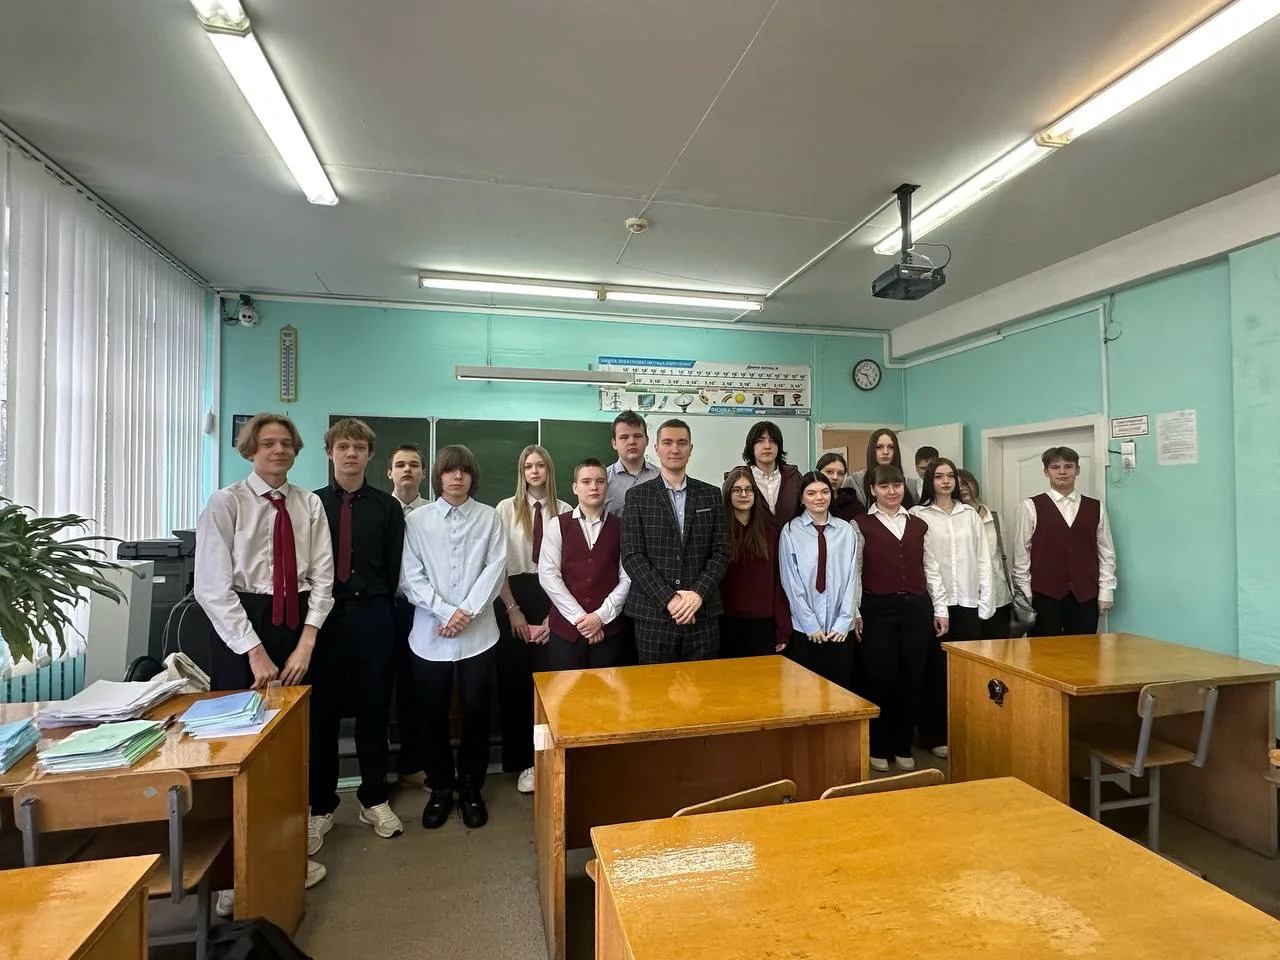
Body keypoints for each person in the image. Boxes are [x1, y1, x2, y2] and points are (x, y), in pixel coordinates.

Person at [194, 412, 331, 909]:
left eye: (286, 443)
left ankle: (284, 852)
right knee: (240, 746)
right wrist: (253, 650)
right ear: (250, 449)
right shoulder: (226, 502)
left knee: (294, 743)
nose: (279, 450)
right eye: (268, 443)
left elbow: (323, 578)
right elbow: (211, 586)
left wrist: (306, 642)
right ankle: (232, 871)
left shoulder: (308, 504)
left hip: (297, 622)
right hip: (242, 625)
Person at [311, 419, 406, 847]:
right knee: (322, 715)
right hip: (323, 618)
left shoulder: (388, 508)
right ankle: (321, 806)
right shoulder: (310, 505)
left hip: (373, 616)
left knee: (373, 711)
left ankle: (373, 798)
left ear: (370, 455)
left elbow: (393, 566)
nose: (351, 453)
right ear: (330, 452)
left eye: (359, 447)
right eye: (343, 446)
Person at [401, 445, 507, 830]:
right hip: (430, 635)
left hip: (479, 636)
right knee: (432, 716)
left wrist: (466, 613)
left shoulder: (490, 517)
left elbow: (495, 568)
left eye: (464, 471)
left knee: (477, 714)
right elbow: (410, 575)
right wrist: (446, 612)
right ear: (439, 477)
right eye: (450, 471)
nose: (457, 477)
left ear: (472, 476)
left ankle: (471, 786)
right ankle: (441, 787)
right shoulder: (418, 520)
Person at [854, 464, 947, 772]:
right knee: (882, 678)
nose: (891, 491)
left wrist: (940, 608)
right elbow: (855, 571)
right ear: (873, 490)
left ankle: (902, 744)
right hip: (877, 609)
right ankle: (879, 745)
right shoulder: (861, 524)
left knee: (912, 677)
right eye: (884, 486)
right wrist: (855, 611)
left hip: (916, 608)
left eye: (896, 485)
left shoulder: (918, 524)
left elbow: (930, 567)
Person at [621, 419, 731, 663]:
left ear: (691, 449)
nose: (675, 449)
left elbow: (722, 552)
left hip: (702, 613)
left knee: (703, 684)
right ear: (656, 448)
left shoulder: (711, 495)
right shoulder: (637, 497)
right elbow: (632, 555)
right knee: (655, 685)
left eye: (682, 443)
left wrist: (697, 594)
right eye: (667, 442)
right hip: (654, 616)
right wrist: (669, 599)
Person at [494, 445, 571, 795]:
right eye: (528, 466)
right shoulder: (505, 509)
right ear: (521, 472)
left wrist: (553, 617)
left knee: (550, 689)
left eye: (541, 465)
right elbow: (496, 565)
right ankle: (523, 761)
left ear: (549, 470)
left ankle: (546, 758)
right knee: (516, 686)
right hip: (513, 598)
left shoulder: (565, 510)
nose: (535, 471)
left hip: (554, 601)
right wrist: (513, 610)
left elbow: (569, 571)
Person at [909, 457, 990, 759]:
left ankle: (966, 730)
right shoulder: (918, 514)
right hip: (933, 606)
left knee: (967, 674)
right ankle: (933, 734)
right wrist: (938, 605)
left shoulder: (969, 514)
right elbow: (923, 563)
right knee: (935, 673)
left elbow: (983, 558)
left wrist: (985, 603)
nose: (946, 481)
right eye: (939, 476)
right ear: (929, 481)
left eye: (950, 476)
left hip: (967, 602)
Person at [537, 458, 632, 670]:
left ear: (607, 485)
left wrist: (600, 617)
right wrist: (582, 619)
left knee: (606, 690)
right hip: (566, 632)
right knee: (565, 690)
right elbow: (548, 576)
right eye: (586, 481)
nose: (593, 487)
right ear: (575, 488)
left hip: (610, 632)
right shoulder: (557, 525)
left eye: (600, 481)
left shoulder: (622, 527)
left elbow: (627, 578)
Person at [1012, 446, 1116, 636]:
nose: (1062, 472)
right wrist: (1025, 593)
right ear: (1046, 472)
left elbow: (1106, 552)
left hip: (1085, 595)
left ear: (1077, 470)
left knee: (1083, 650)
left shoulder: (1096, 507)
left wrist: (1106, 591)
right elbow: (1021, 555)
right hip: (1043, 595)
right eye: (1055, 467)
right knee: (1043, 650)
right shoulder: (1030, 507)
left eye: (1068, 466)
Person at [778, 472, 857, 688]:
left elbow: (852, 578)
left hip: (840, 629)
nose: (819, 498)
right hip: (805, 628)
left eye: (824, 492)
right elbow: (790, 581)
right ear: (801, 498)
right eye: (811, 493)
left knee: (840, 691)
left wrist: (844, 621)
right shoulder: (790, 531)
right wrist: (810, 624)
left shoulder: (846, 531)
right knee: (806, 691)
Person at [387, 445, 429, 789]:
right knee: (376, 687)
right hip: (382, 611)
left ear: (423, 474)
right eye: (400, 465)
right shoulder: (378, 509)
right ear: (390, 472)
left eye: (414, 465)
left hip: (421, 611)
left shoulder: (434, 513)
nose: (407, 470)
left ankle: (413, 763)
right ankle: (376, 770)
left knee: (415, 689)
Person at [718, 467, 791, 658]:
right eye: (737, 489)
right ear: (727, 493)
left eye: (748, 489)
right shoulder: (718, 532)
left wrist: (782, 627)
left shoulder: (770, 533)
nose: (743, 494)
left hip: (763, 623)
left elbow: (778, 582)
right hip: (725, 621)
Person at [956, 469, 1015, 639]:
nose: (962, 488)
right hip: (967, 597)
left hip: (999, 596)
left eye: (965, 483)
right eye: (957, 485)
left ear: (974, 484)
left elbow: (1006, 556)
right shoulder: (955, 521)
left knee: (999, 647)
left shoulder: (995, 518)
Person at [743, 420, 803, 526]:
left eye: (773, 441)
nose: (767, 446)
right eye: (760, 441)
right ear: (751, 446)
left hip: (789, 536)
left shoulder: (794, 477)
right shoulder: (741, 478)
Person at [604, 411, 658, 518]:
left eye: (637, 436)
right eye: (624, 437)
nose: (631, 442)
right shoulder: (603, 479)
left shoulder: (661, 477)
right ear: (614, 443)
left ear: (647, 440)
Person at [846, 428, 916, 509]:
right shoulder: (855, 481)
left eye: (891, 447)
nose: (885, 452)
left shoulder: (909, 483)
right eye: (879, 447)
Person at [816, 452, 863, 522]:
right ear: (818, 472)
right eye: (829, 472)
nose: (835, 477)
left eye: (840, 473)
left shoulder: (854, 506)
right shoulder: (809, 502)